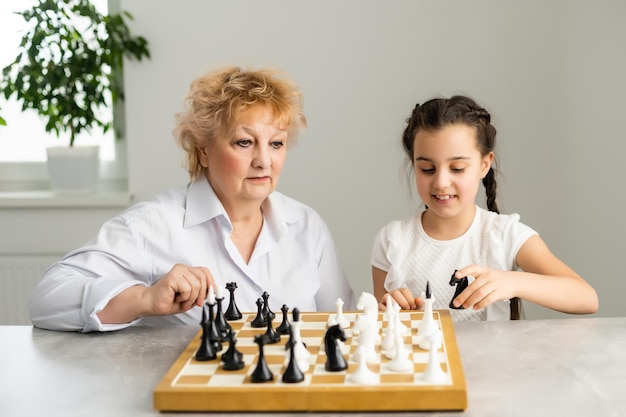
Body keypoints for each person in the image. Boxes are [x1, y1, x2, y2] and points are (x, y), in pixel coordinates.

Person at [29, 66, 355, 332]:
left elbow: (345, 321)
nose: (264, 161)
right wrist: (143, 298)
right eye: (244, 142)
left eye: (276, 144)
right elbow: (46, 299)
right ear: (203, 148)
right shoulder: (152, 225)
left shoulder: (307, 227)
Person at [371, 95, 598, 320]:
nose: (440, 182)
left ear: (484, 165)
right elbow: (383, 323)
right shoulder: (392, 240)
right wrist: (391, 309)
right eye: (427, 169)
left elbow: (587, 298)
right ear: (414, 164)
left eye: (457, 168)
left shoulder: (505, 235)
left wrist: (512, 282)